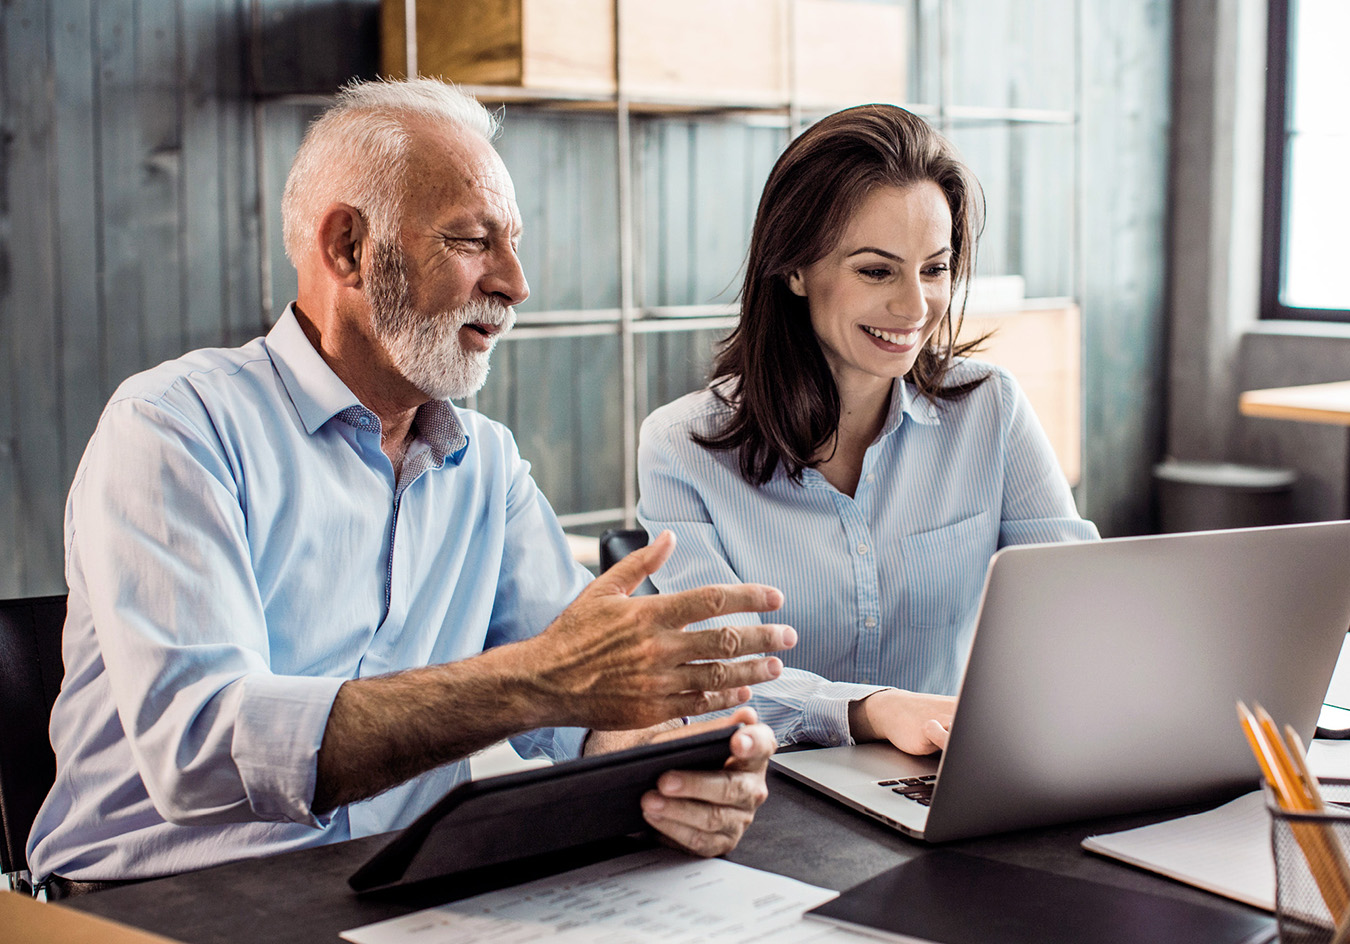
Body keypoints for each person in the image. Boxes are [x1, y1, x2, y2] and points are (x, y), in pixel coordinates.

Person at [26, 78, 796, 894]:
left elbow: (583, 715)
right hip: (147, 906)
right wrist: (537, 680)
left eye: (515, 242)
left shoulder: (488, 466)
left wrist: (678, 770)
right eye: (471, 241)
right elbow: (201, 750)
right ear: (348, 248)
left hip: (392, 893)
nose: (516, 283)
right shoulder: (174, 426)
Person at [637, 104, 1099, 756]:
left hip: (951, 775)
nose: (915, 307)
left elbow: (1079, 608)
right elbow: (722, 677)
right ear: (795, 270)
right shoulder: (681, 447)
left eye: (934, 269)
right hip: (777, 790)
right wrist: (872, 709)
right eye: (877, 270)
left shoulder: (991, 410)